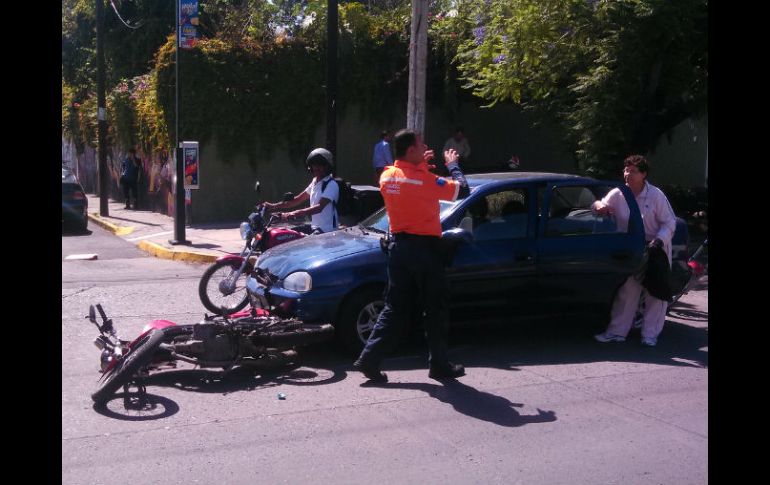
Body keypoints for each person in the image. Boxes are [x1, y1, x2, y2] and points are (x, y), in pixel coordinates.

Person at [353, 129, 471, 383]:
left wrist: (423, 167)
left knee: (395, 307)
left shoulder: (387, 176)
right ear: (410, 151)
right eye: (421, 145)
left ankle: (369, 359)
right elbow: (462, 191)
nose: (426, 146)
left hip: (398, 250)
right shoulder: (423, 180)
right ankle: (439, 365)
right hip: (425, 252)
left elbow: (410, 182)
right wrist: (453, 166)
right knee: (435, 308)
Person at [592, 155, 677, 347]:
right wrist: (599, 206)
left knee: (655, 292)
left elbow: (669, 222)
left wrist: (659, 241)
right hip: (631, 248)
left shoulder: (655, 195)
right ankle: (616, 332)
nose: (627, 174)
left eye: (633, 171)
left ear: (644, 174)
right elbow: (597, 205)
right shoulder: (618, 193)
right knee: (627, 290)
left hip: (656, 247)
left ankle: (650, 335)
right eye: (626, 170)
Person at [262, 148, 339, 234]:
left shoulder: (331, 184)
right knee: (286, 234)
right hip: (315, 226)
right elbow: (297, 200)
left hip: (327, 231)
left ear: (327, 166)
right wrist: (272, 206)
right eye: (314, 165)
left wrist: (293, 213)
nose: (316, 168)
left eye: (320, 165)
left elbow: (319, 207)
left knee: (301, 245)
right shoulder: (315, 182)